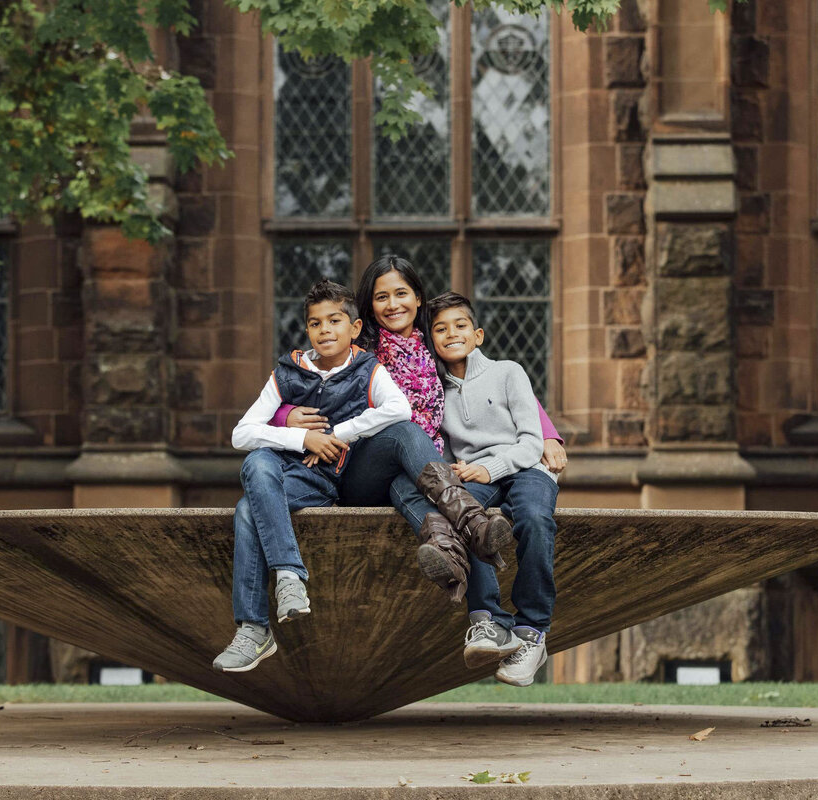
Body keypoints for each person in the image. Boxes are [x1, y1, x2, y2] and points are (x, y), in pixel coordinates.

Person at [271, 255, 568, 600]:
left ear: (418, 299)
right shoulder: (356, 346)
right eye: (382, 297)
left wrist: (546, 433)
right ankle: (472, 522)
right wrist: (288, 415)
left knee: (408, 465)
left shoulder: (434, 343)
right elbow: (297, 384)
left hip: (420, 468)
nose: (393, 305)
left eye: (402, 294)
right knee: (405, 429)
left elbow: (493, 379)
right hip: (361, 469)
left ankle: (448, 556)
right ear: (369, 304)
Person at [212, 279, 411, 673]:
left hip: (317, 482)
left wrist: (339, 433)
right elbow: (241, 434)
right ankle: (289, 576)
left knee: (248, 513)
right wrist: (301, 436)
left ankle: (254, 628)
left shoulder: (367, 369)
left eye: (334, 321)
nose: (325, 330)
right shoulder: (287, 372)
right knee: (256, 462)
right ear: (307, 330)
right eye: (316, 323)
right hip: (274, 472)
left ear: (354, 328)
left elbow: (399, 410)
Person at [390, 291, 559, 688]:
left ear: (478, 334)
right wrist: (463, 471)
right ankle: (489, 622)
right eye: (440, 329)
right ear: (431, 340)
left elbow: (533, 441)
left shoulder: (509, 372)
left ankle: (532, 632)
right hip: (473, 477)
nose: (451, 334)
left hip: (526, 468)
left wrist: (490, 467)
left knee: (534, 519)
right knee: (460, 518)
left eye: (460, 326)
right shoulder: (435, 390)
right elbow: (440, 445)